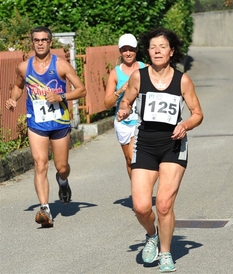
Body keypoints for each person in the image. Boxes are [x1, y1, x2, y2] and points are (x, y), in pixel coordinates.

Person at [117, 27, 203, 272]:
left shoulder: (182, 80)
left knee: (164, 204)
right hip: (144, 144)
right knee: (141, 206)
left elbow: (198, 114)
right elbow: (126, 100)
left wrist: (185, 124)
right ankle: (151, 235)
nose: (157, 50)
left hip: (173, 146)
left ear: (171, 51)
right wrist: (124, 109)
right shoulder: (138, 77)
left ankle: (166, 253)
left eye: (162, 46)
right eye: (153, 47)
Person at [5, 26, 86, 227]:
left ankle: (63, 181)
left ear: (50, 42)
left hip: (59, 122)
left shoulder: (62, 66)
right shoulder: (24, 67)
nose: (40, 43)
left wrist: (61, 96)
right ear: (32, 43)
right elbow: (17, 85)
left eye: (43, 40)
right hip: (36, 122)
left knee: (62, 167)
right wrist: (13, 99)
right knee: (40, 163)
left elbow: (82, 89)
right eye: (36, 40)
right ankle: (45, 209)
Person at [104, 33, 147, 179]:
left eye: (131, 49)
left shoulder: (145, 68)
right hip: (123, 122)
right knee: (129, 161)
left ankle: (143, 190)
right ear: (120, 51)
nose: (128, 53)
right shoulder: (115, 73)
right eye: (124, 50)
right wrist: (120, 91)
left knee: (135, 158)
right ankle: (137, 190)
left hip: (141, 120)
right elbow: (107, 103)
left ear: (136, 50)